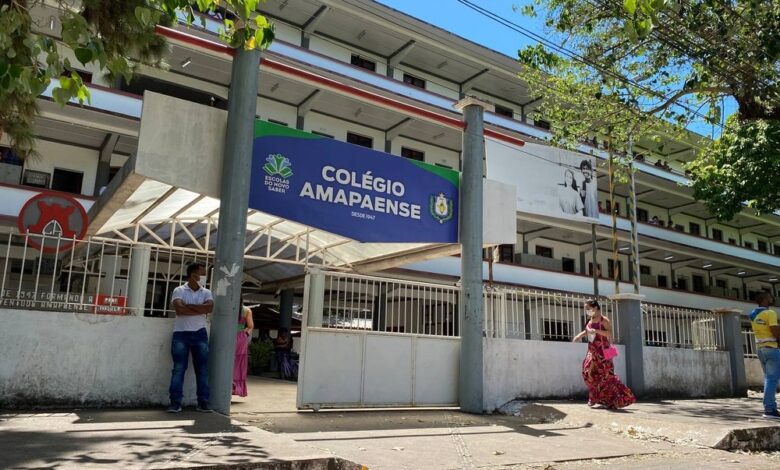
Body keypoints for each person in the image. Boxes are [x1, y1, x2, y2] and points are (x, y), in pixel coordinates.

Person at [167, 262, 213, 413]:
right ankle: (175, 402)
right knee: (179, 369)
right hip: (181, 333)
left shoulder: (206, 292)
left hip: (200, 333)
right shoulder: (179, 290)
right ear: (193, 275)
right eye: (203, 274)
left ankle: (203, 402)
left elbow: (209, 308)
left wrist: (188, 306)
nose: (205, 277)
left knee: (202, 370)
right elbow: (179, 310)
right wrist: (200, 309)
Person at [572, 300, 635, 409]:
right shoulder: (590, 320)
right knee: (587, 372)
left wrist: (596, 331)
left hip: (604, 352)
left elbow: (610, 333)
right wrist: (579, 336)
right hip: (592, 351)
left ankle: (619, 399)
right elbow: (587, 331)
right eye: (586, 309)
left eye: (588, 308)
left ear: (595, 308)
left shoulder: (604, 320)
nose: (587, 311)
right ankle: (594, 395)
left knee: (606, 377)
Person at [749, 292, 780, 420]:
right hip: (772, 348)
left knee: (769, 379)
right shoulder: (770, 313)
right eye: (769, 297)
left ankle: (771, 408)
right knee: (772, 379)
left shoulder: (752, 314)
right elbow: (775, 331)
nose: (771, 298)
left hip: (761, 349)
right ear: (764, 300)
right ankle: (769, 410)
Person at [232, 299, 254, 397]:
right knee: (239, 362)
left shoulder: (228, 307)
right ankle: (237, 388)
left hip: (227, 335)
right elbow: (250, 326)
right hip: (241, 338)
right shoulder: (247, 310)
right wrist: (244, 334)